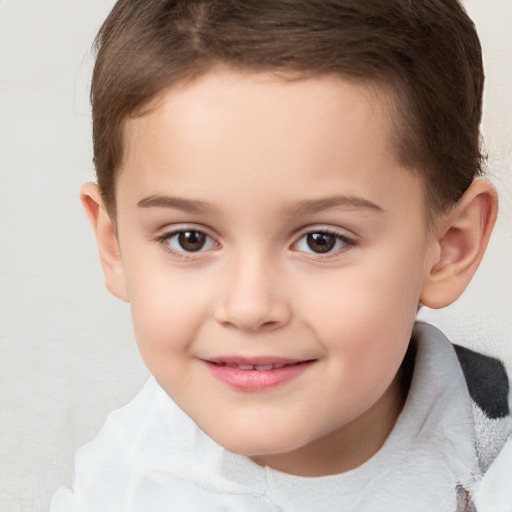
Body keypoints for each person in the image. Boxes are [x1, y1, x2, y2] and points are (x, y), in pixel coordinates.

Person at [50, 1, 511, 510]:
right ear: (114, 246)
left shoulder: (493, 471)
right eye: (190, 239)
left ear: (450, 248)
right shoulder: (120, 484)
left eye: (321, 240)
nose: (249, 307)